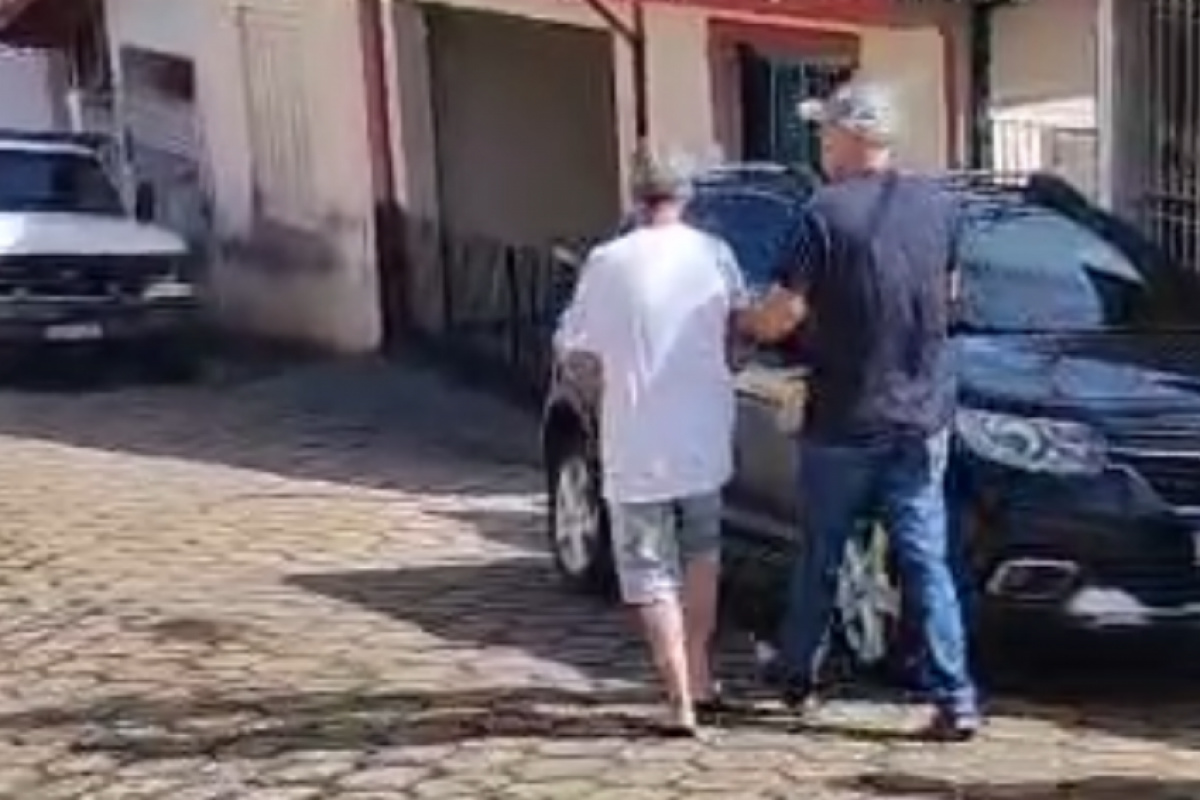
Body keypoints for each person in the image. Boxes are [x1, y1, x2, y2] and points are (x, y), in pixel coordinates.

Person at [737, 80, 981, 740]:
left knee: (821, 549)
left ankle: (797, 674)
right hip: (921, 415)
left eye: (826, 130)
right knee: (926, 560)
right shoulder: (939, 207)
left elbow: (784, 313)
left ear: (851, 137)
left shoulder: (822, 213)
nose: (821, 142)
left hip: (845, 417)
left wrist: (741, 323)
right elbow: (951, 295)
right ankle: (956, 696)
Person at [554, 147, 745, 735]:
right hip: (703, 435)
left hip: (635, 441)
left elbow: (575, 348)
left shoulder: (607, 262)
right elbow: (737, 334)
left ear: (635, 196)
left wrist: (605, 384)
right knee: (701, 552)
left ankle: (679, 697)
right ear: (687, 194)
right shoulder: (715, 254)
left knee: (648, 570)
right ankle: (702, 671)